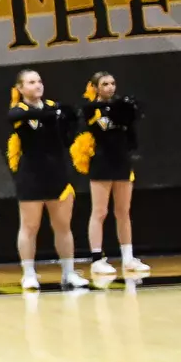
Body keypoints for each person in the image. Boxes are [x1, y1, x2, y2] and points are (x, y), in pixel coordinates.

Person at [7, 69, 89, 290]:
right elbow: (14, 117)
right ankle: (29, 273)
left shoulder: (54, 107)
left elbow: (67, 133)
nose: (37, 85)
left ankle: (69, 272)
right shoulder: (19, 110)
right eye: (31, 82)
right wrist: (52, 114)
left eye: (39, 81)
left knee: (63, 226)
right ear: (20, 88)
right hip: (31, 176)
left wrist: (70, 122)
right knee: (29, 226)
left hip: (57, 174)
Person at [72, 71, 148, 276]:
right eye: (104, 84)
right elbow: (102, 127)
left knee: (123, 211)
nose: (110, 87)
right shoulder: (90, 108)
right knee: (100, 211)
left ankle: (128, 257)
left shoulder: (122, 105)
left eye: (113, 83)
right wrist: (120, 114)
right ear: (95, 88)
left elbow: (131, 122)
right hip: (102, 162)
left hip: (122, 161)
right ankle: (97, 259)